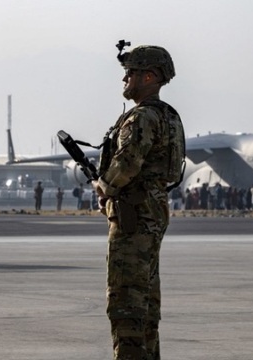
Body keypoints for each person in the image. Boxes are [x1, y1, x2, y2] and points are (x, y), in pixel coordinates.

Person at [92, 42, 185, 360]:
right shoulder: (168, 116)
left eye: (130, 73)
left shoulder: (143, 117)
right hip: (152, 211)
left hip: (133, 216)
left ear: (149, 77)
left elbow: (128, 163)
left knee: (126, 302)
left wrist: (104, 186)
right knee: (146, 303)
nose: (125, 79)